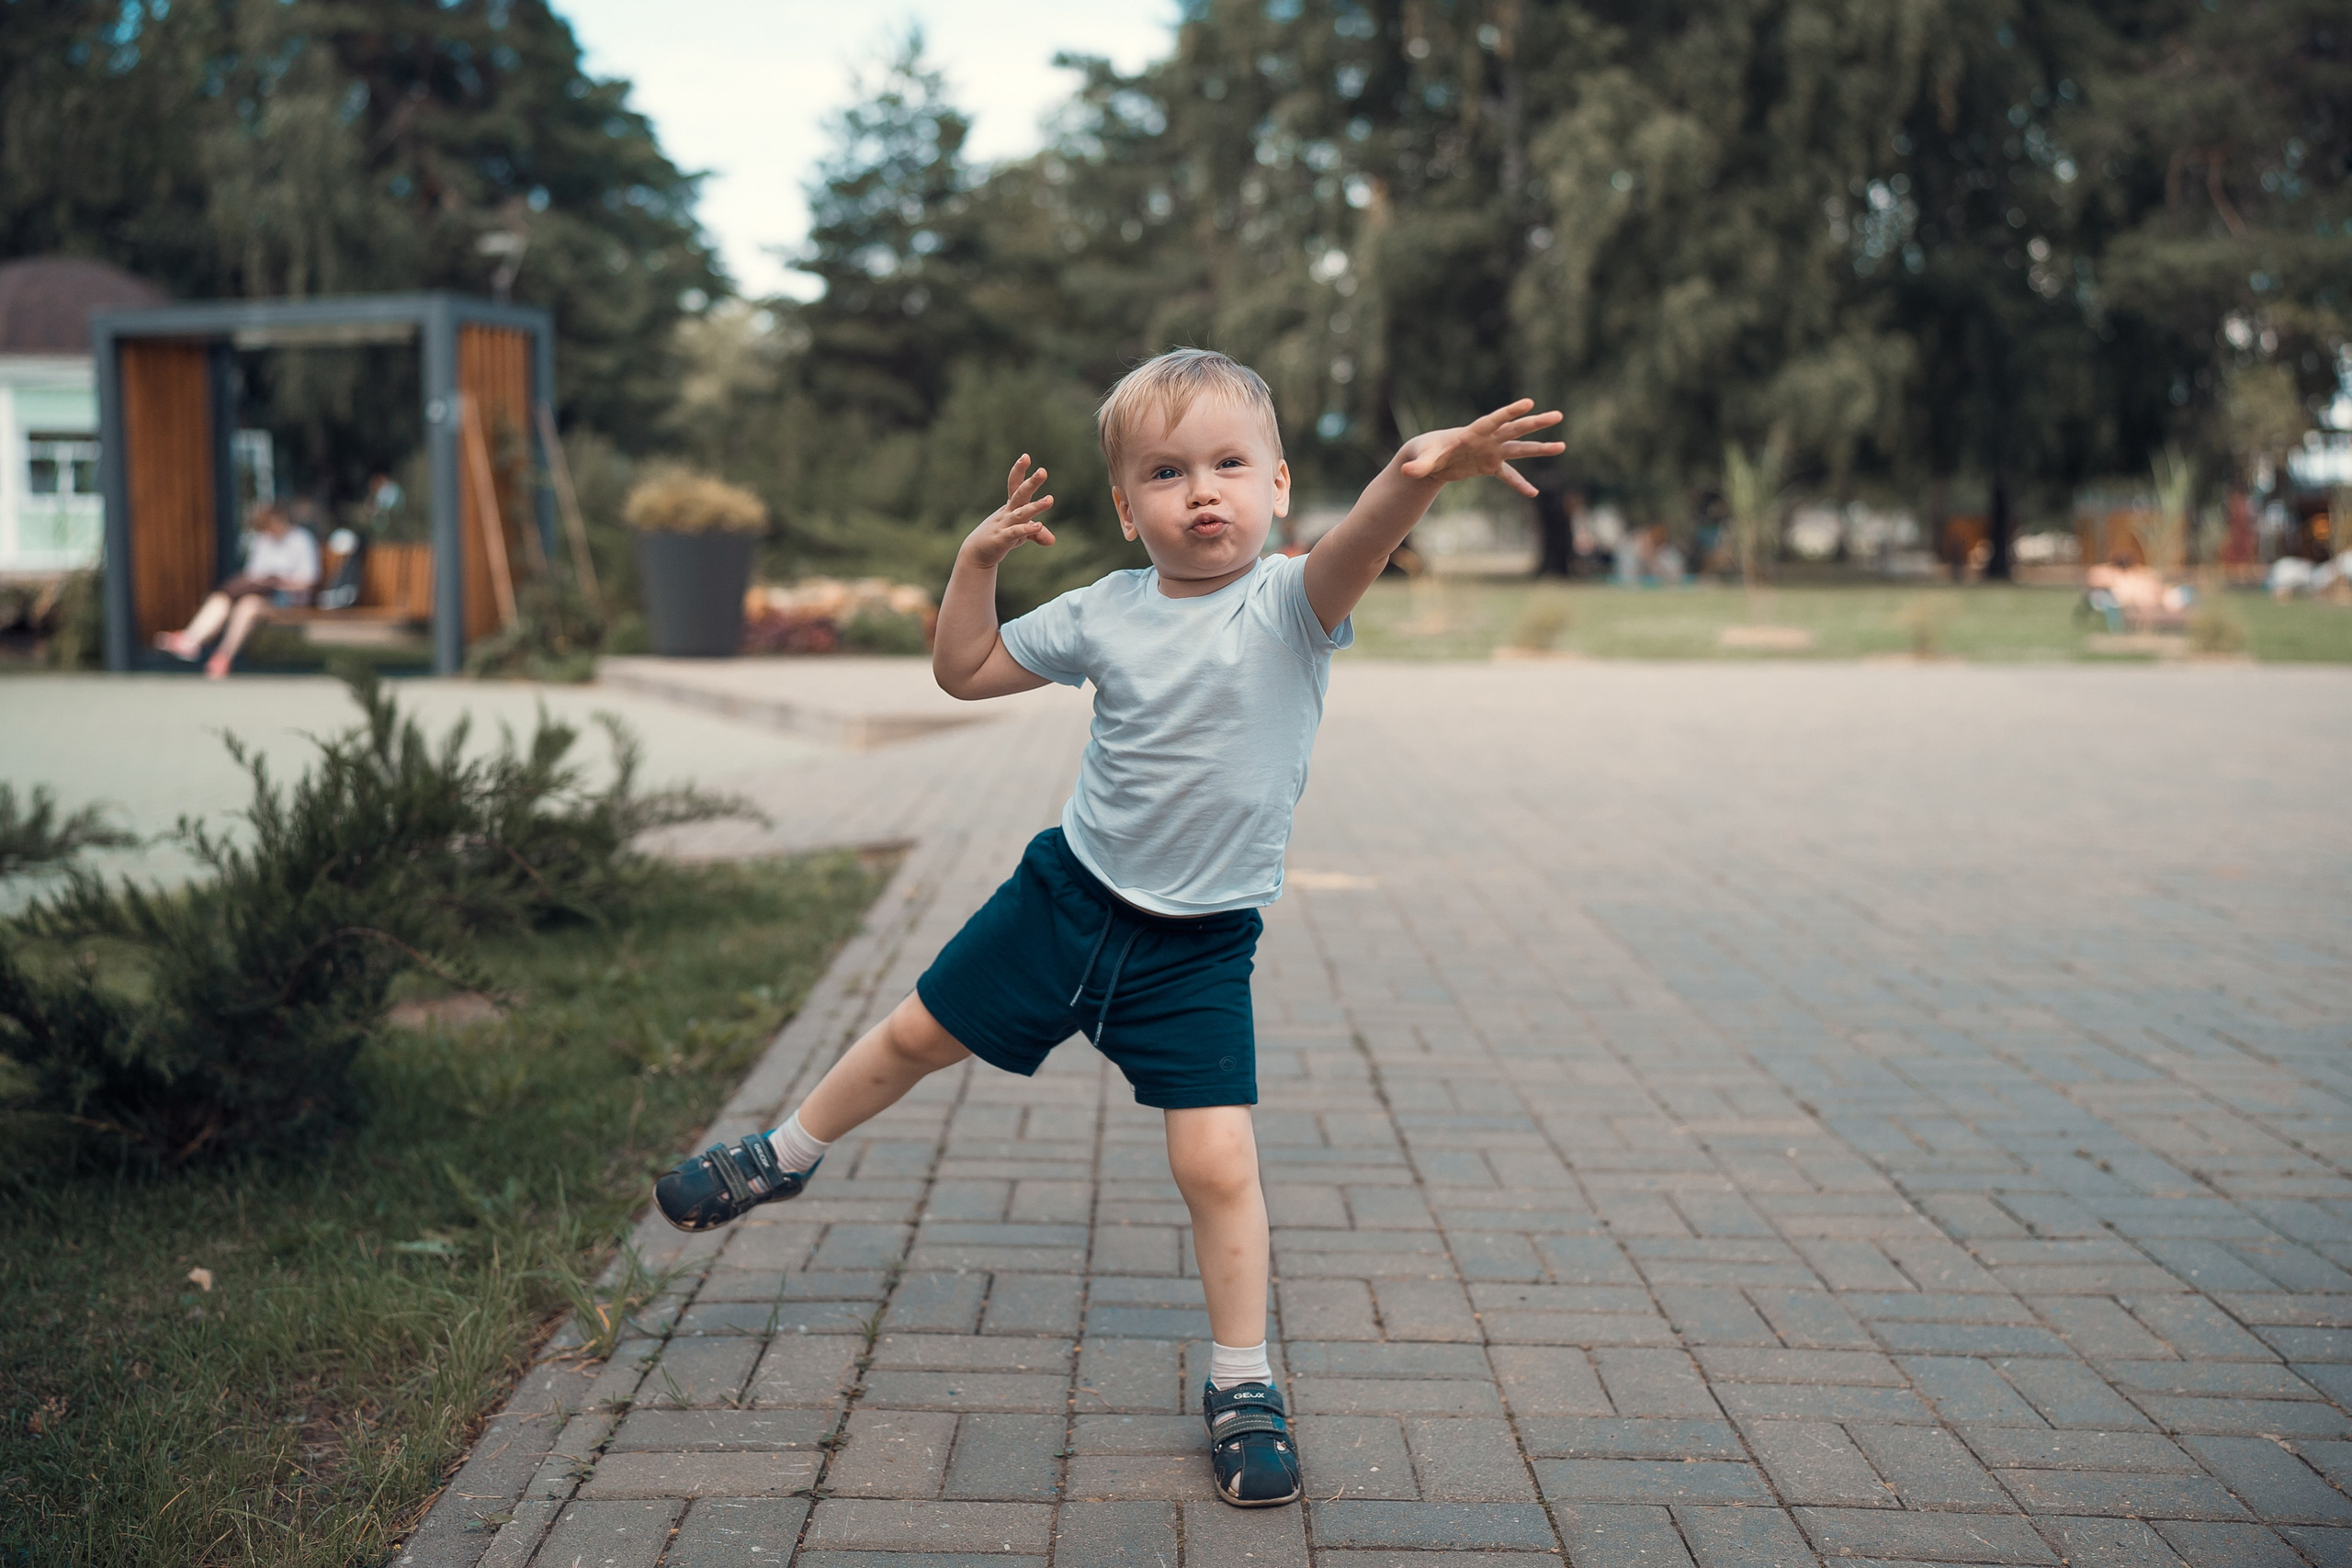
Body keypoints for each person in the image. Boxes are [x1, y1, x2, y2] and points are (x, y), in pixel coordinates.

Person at [651, 349, 1563, 1507]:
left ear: (1277, 486)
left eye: (1229, 465)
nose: (1202, 492)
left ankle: (1242, 1384)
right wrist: (974, 562)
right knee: (910, 1039)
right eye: (1166, 473)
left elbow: (1364, 542)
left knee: (1215, 1163)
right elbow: (965, 671)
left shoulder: (1292, 604)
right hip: (1064, 902)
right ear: (1128, 511)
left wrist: (1416, 473)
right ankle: (777, 1159)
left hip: (1194, 950)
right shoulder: (1104, 612)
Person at [153, 501, 320, 677]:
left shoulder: (301, 539)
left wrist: (278, 582)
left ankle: (223, 657)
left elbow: (309, 580)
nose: (270, 529)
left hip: (286, 599)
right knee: (221, 599)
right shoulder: (263, 540)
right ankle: (190, 640)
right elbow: (253, 574)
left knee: (248, 606)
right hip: (260, 593)